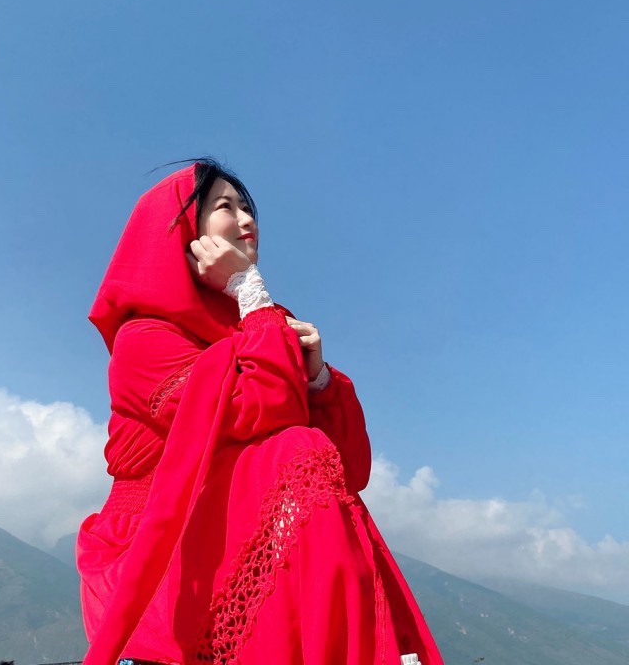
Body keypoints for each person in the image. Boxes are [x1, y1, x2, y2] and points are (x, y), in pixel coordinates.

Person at [77, 159, 444, 665]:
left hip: (237, 536)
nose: (247, 219)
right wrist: (251, 292)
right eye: (225, 207)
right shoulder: (144, 339)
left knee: (304, 450)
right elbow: (256, 411)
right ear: (183, 232)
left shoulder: (260, 328)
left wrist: (318, 378)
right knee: (296, 447)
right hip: (162, 557)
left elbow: (350, 470)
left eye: (248, 207)